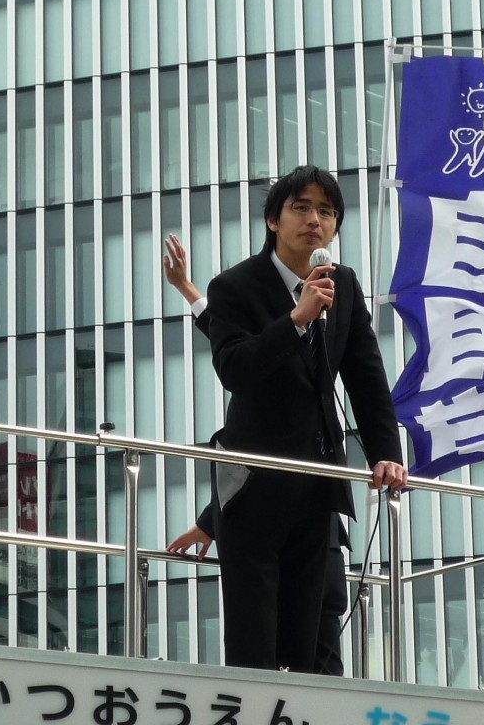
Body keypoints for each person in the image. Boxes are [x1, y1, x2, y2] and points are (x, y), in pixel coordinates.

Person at [204, 165, 406, 673]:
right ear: (273, 220)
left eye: (327, 211)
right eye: (301, 208)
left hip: (317, 482)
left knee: (306, 640)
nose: (315, 219)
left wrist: (385, 453)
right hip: (251, 484)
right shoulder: (234, 286)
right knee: (254, 642)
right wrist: (296, 319)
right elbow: (234, 369)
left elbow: (366, 375)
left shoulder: (343, 284)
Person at [163, 232, 350, 676]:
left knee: (320, 645)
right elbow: (236, 348)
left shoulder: (331, 303)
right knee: (268, 638)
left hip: (317, 512)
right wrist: (187, 288)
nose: (315, 221)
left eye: (325, 212)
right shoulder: (263, 318)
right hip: (274, 510)